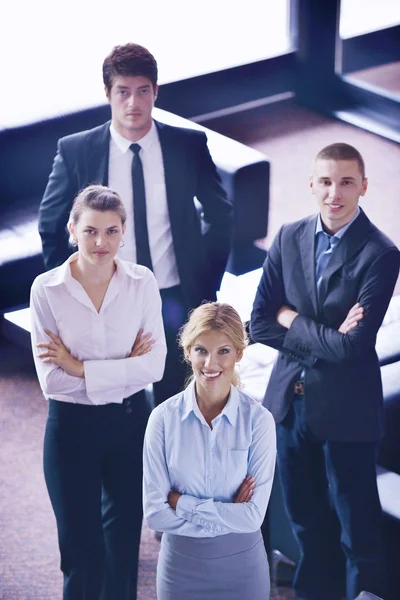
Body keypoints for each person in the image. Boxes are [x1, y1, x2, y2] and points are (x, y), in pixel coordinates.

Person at [38, 42, 233, 407]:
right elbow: (50, 225)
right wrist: (69, 293)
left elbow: (220, 214)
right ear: (108, 94)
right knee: (111, 394)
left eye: (143, 91)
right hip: (105, 295)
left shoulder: (187, 144)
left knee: (178, 396)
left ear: (155, 92)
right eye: (123, 92)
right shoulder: (77, 150)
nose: (133, 103)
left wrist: (206, 281)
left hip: (172, 293)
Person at [250, 143, 400, 600]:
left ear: (364, 186)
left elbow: (355, 348)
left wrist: (292, 320)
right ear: (311, 184)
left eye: (347, 182)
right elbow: (259, 322)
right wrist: (326, 339)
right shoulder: (288, 236)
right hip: (290, 408)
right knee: (307, 527)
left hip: (348, 412)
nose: (335, 193)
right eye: (326, 182)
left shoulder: (381, 253)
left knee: (358, 535)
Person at [30, 185, 167, 600]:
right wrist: (123, 368)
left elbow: (155, 366)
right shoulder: (47, 290)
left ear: (123, 232)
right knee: (80, 552)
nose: (101, 242)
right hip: (70, 428)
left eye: (111, 231)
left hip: (129, 423)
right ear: (72, 229)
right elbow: (52, 381)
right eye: (90, 231)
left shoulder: (142, 282)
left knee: (122, 551)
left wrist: (80, 367)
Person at [143, 302, 276, 600]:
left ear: (239, 354)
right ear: (188, 351)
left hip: (242, 570)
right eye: (201, 350)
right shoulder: (162, 420)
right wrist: (229, 514)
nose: (210, 363)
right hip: (180, 571)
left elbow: (253, 518)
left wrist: (180, 502)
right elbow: (155, 515)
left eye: (223, 351)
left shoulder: (259, 421)